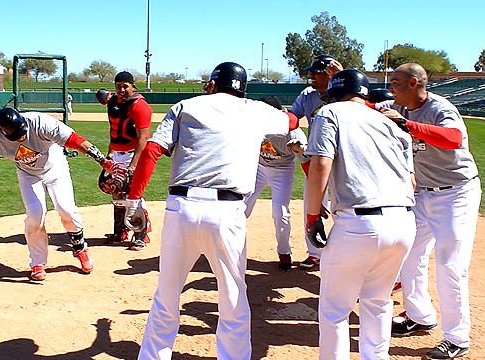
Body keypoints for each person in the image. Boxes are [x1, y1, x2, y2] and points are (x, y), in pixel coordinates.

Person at [119, 62, 299, 360]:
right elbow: (291, 121)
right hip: (227, 213)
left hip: (182, 209)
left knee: (167, 295)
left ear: (214, 84)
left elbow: (152, 151)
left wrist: (134, 200)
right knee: (232, 298)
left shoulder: (185, 106)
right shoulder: (256, 109)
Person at [0, 107, 122, 281]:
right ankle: (37, 262)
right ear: (5, 133)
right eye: (16, 136)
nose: (21, 137)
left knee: (67, 211)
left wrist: (102, 161)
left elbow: (74, 139)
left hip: (56, 168)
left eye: (22, 133)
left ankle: (80, 250)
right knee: (35, 215)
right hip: (28, 174)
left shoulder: (40, 122)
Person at [305, 69, 416, 359]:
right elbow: (412, 181)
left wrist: (312, 216)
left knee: (335, 308)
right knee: (378, 302)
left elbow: (319, 165)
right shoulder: (391, 124)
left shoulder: (330, 112)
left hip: (360, 223)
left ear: (333, 92)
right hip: (403, 220)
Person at [377, 63, 481, 359]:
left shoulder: (439, 108)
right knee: (409, 254)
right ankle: (419, 315)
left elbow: (453, 139)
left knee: (450, 264)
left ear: (413, 84)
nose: (390, 88)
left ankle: (457, 337)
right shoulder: (398, 105)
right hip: (424, 194)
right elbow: (368, 104)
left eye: (395, 82)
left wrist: (407, 125)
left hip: (457, 193)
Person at [290, 55, 343, 270]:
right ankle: (315, 253)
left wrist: (340, 79)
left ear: (330, 75)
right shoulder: (308, 95)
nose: (311, 75)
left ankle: (343, 254)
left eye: (316, 72)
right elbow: (293, 117)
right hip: (317, 157)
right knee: (310, 203)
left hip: (343, 160)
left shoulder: (343, 95)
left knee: (342, 207)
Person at [245, 95, 308, 272]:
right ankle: (230, 249)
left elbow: (307, 160)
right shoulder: (252, 125)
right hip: (258, 169)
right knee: (240, 210)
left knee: (280, 213)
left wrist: (302, 149)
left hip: (282, 172)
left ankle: (284, 252)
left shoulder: (292, 131)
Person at [95, 71, 152, 250]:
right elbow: (114, 131)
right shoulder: (113, 103)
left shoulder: (139, 106)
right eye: (118, 86)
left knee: (133, 195)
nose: (121, 90)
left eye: (125, 86)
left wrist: (133, 165)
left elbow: (143, 139)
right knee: (116, 192)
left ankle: (141, 234)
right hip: (118, 154)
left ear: (133, 86)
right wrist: (110, 154)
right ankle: (120, 231)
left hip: (134, 154)